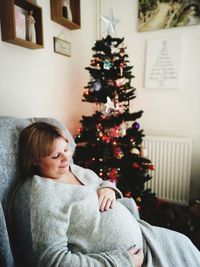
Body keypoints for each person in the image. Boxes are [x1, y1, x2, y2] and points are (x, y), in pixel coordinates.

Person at [10, 121, 200, 267]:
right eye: (55, 155)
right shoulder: (40, 195)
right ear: (34, 160)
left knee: (184, 245)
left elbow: (100, 182)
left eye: (66, 150)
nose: (65, 158)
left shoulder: (72, 169)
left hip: (145, 236)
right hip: (128, 260)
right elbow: (54, 261)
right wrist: (120, 261)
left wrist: (107, 188)